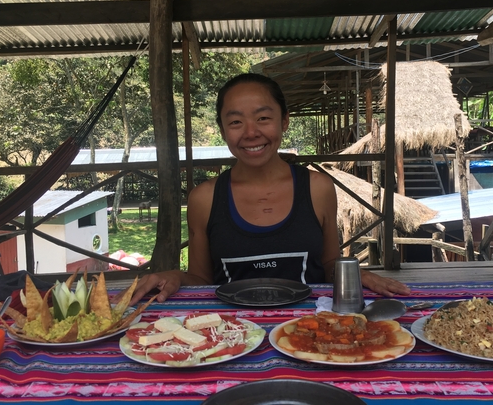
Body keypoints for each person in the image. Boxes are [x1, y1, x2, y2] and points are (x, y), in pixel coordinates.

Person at [129, 73, 410, 305]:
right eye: (236, 122)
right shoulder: (204, 198)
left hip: (310, 331)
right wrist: (176, 276)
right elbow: (202, 281)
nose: (251, 132)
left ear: (284, 121)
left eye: (263, 118)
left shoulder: (317, 188)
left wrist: (354, 275)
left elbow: (328, 266)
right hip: (231, 336)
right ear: (223, 130)